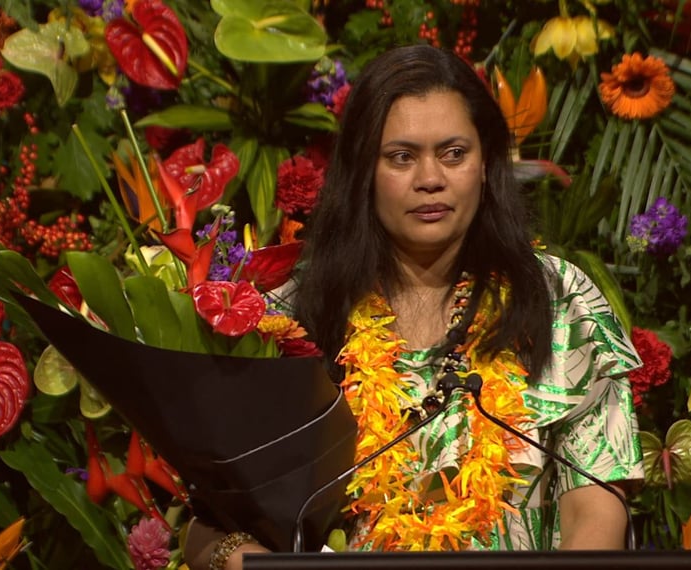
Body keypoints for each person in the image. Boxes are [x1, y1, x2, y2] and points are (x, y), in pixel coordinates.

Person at [183, 43, 644, 570]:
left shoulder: (561, 302)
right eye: (402, 157)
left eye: (453, 153)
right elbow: (209, 523)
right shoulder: (288, 319)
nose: (431, 179)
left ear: (487, 163)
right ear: (363, 171)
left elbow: (598, 497)